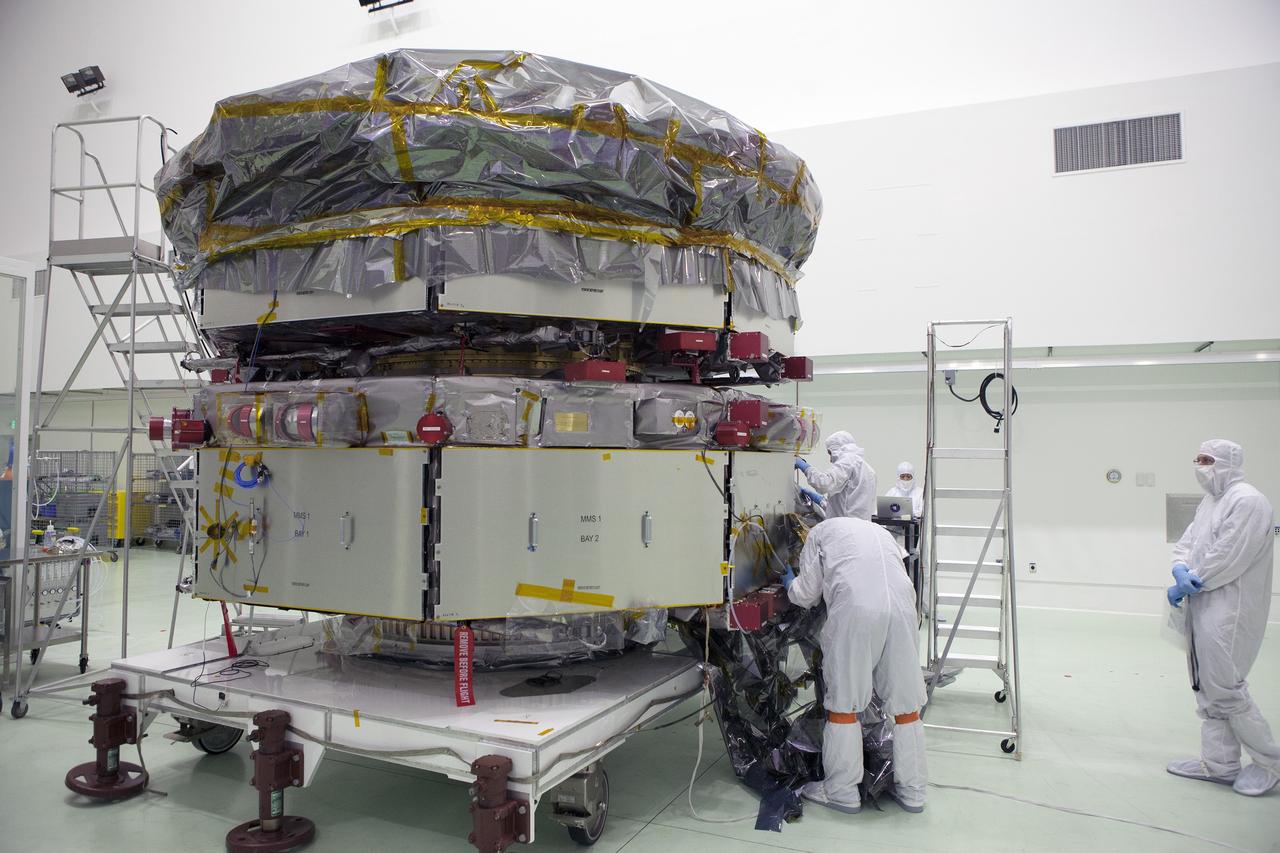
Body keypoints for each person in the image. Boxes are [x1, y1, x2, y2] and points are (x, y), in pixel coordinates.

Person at [779, 517, 927, 814]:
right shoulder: (879, 531)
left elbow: (806, 595)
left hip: (857, 612)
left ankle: (842, 791)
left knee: (844, 704)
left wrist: (788, 581)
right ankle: (913, 790)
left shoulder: (818, 534)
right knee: (906, 702)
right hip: (902, 609)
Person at [1166, 439, 1278, 797]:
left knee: (1227, 690)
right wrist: (1180, 568)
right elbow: (1187, 542)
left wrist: (1193, 581)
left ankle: (1270, 764)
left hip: (1231, 609)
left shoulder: (1248, 501)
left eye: (1207, 459)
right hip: (1204, 603)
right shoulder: (1210, 502)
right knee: (1207, 690)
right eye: (1197, 458)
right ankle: (1219, 764)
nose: (1199, 465)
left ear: (1228, 462)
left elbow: (1229, 555)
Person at [795, 431, 877, 521]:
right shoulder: (868, 470)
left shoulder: (848, 461)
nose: (830, 459)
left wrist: (804, 466)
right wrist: (821, 501)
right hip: (860, 528)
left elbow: (823, 484)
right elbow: (849, 508)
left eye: (830, 453)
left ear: (837, 449)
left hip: (846, 528)